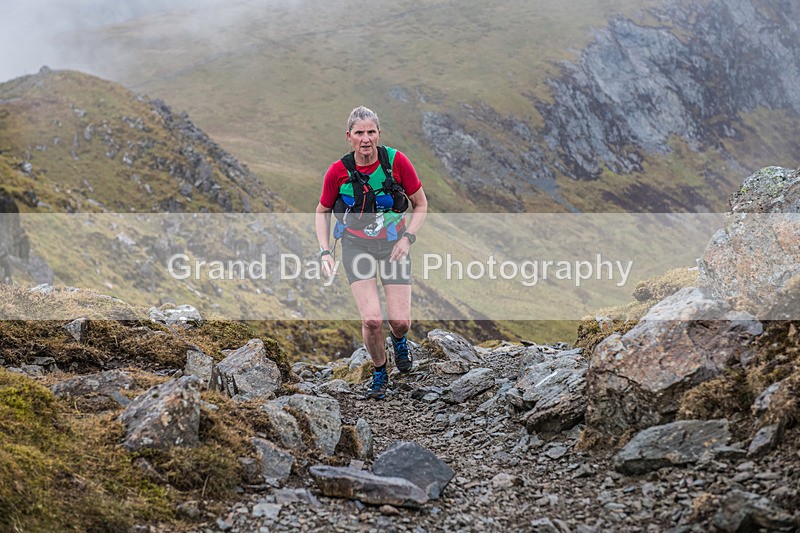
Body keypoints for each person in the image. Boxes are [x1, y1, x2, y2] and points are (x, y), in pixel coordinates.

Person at [315, 106, 428, 399]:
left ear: (379, 133)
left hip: (393, 246)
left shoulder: (396, 161)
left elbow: (421, 204)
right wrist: (325, 251)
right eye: (359, 133)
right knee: (372, 320)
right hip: (356, 247)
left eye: (371, 132)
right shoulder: (338, 171)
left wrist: (408, 238)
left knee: (400, 321)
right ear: (349, 136)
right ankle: (380, 371)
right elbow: (322, 210)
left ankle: (399, 340)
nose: (366, 139)